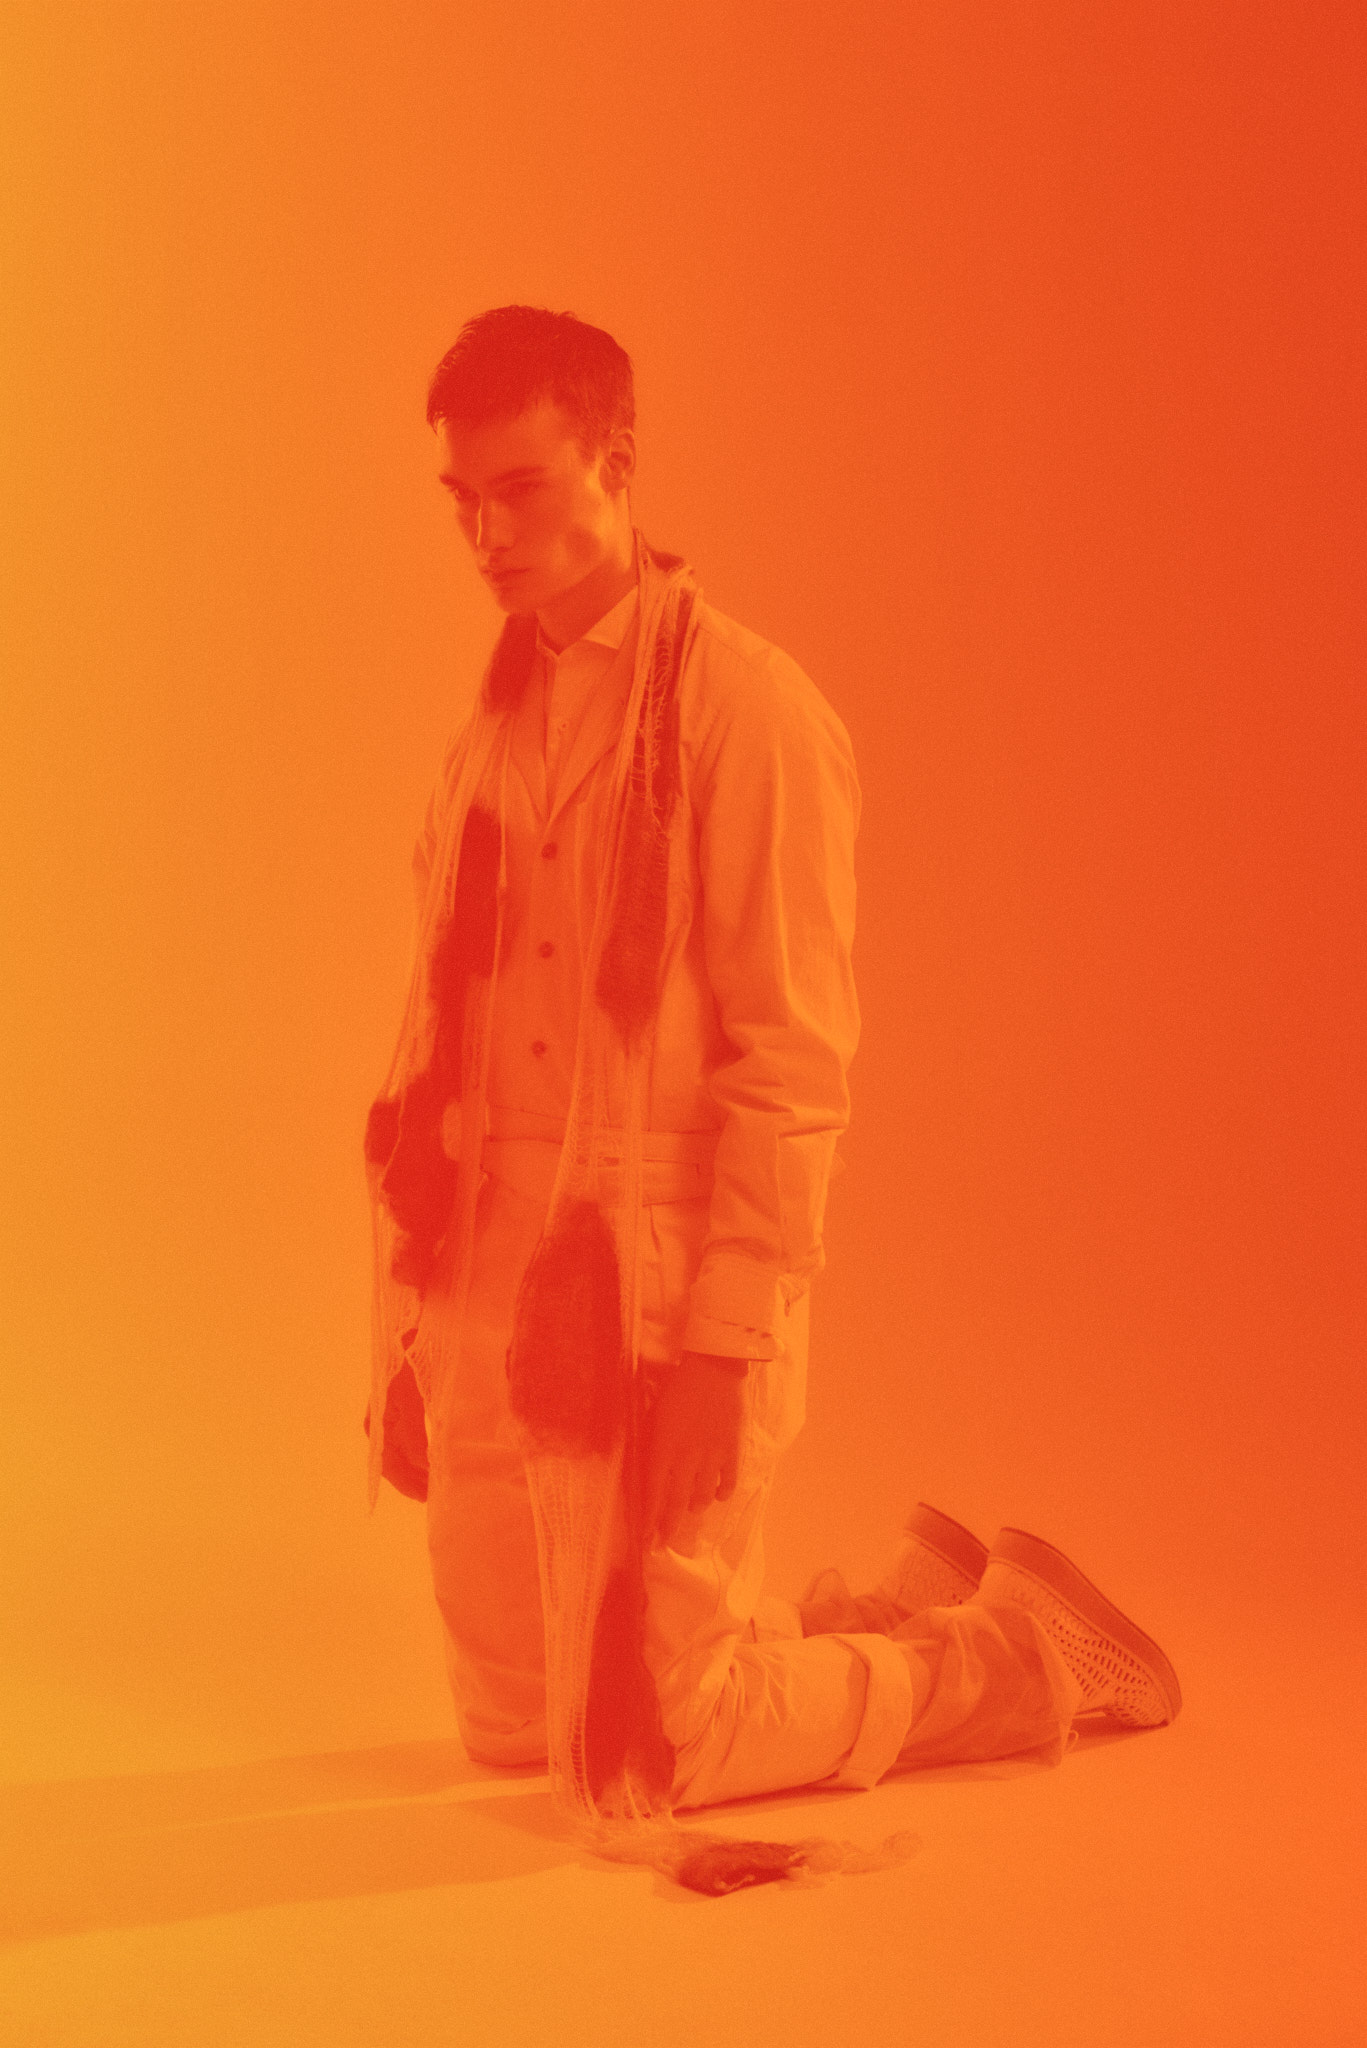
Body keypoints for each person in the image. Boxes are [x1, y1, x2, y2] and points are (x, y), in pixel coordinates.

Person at [363, 305, 1180, 1822]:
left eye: (520, 489)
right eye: (463, 499)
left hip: (660, 1269)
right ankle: (879, 1612)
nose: (485, 534)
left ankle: (1015, 1655)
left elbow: (793, 1073)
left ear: (617, 461)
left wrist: (725, 1352)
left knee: (655, 1751)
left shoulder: (751, 716)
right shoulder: (487, 737)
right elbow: (434, 1056)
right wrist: (415, 1337)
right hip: (491, 1273)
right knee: (515, 1732)